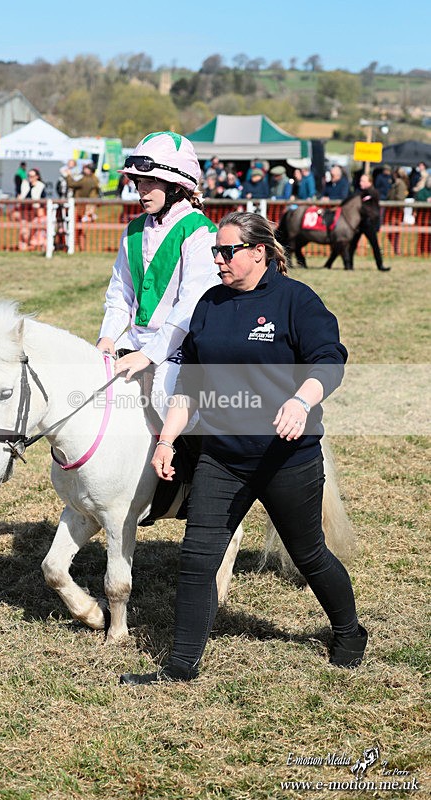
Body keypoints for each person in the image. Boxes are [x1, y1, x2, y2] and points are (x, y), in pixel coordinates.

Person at [120, 211, 367, 686]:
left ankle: (349, 632)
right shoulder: (209, 304)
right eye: (216, 251)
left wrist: (301, 400)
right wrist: (168, 439)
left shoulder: (296, 300)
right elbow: (189, 383)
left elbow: (329, 361)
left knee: (309, 553)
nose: (218, 260)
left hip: (285, 458)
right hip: (221, 457)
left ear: (259, 252)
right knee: (196, 557)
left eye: (227, 251)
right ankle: (180, 666)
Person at [96, 130, 220, 424]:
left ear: (177, 186)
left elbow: (190, 305)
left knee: (165, 398)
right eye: (139, 182)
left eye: (151, 181)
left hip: (182, 344)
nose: (142, 190)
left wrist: (148, 356)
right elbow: (120, 293)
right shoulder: (133, 230)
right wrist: (107, 338)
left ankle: (194, 467)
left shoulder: (201, 231)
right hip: (137, 339)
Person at [348, 173, 390, 272]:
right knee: (352, 245)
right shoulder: (359, 192)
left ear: (369, 182)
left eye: (363, 181)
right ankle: (349, 265)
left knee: (374, 245)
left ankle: (380, 265)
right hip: (359, 223)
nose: (360, 182)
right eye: (360, 180)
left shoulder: (373, 193)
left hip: (368, 223)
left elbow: (369, 209)